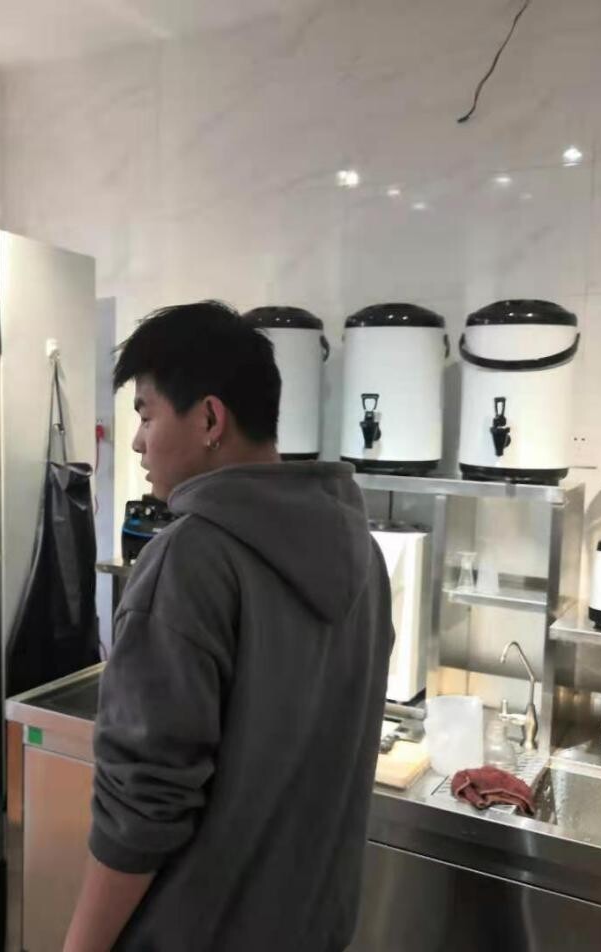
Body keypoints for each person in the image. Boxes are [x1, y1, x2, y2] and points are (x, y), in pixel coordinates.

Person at [63, 301, 395, 952]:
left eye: (146, 415)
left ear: (210, 419)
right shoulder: (363, 550)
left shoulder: (190, 557)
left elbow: (143, 807)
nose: (136, 442)